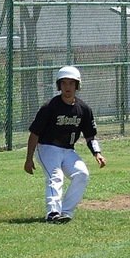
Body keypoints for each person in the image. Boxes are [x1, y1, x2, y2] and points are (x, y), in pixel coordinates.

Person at [24, 66, 107, 223]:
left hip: (68, 150)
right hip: (47, 147)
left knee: (82, 174)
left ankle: (66, 212)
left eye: (71, 83)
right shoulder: (49, 107)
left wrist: (97, 153)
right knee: (55, 176)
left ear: (77, 85)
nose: (67, 87)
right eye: (64, 83)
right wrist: (29, 158)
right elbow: (34, 133)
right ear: (59, 86)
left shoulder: (83, 109)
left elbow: (90, 136)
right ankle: (53, 213)